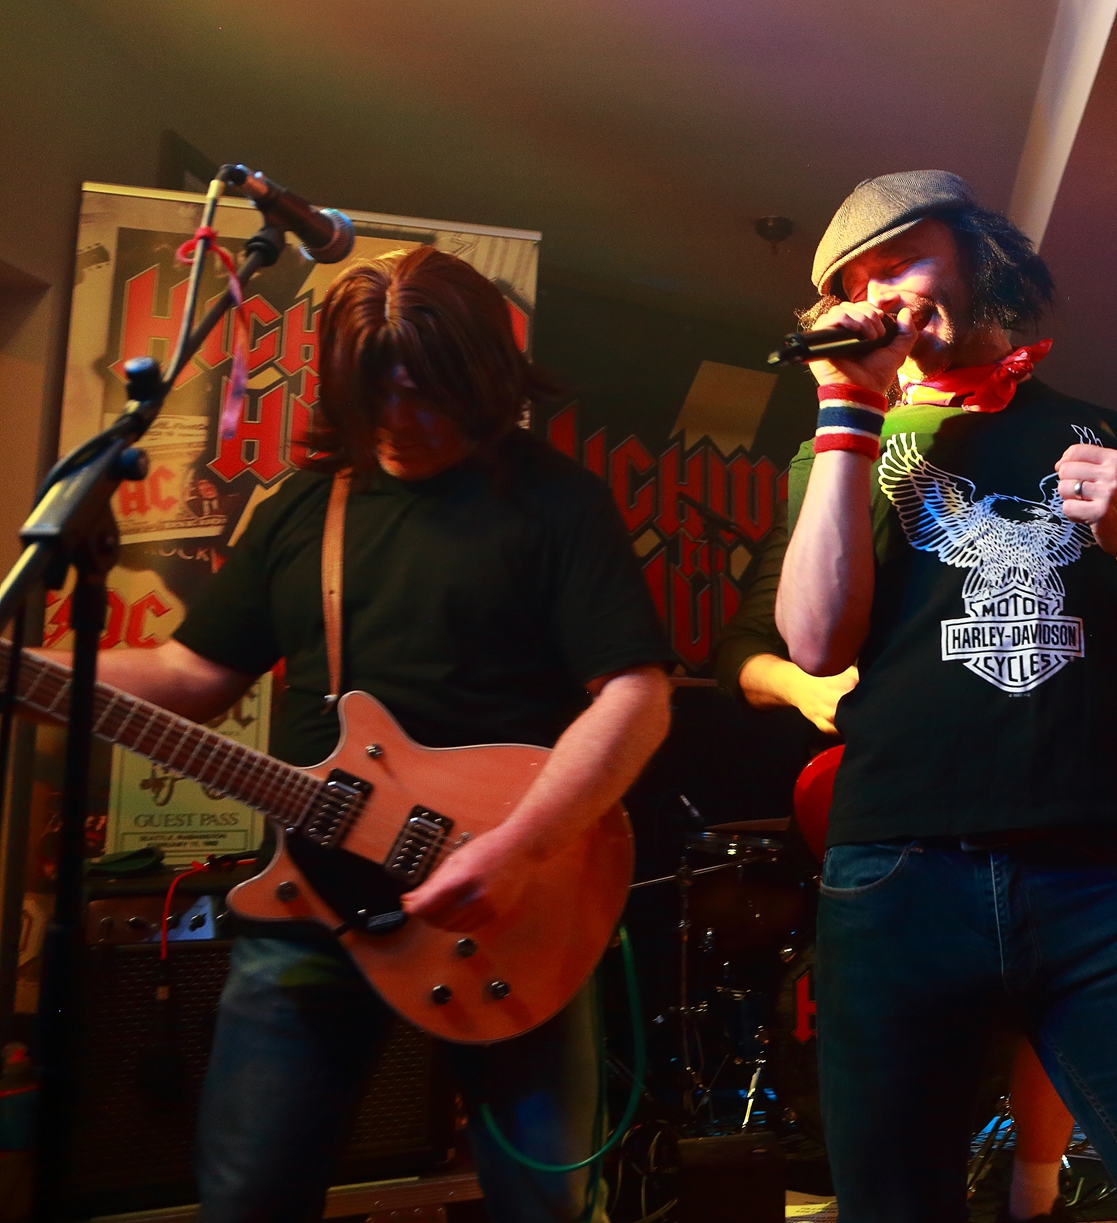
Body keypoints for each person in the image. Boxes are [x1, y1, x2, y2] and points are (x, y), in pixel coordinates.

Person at [67, 245, 672, 1223]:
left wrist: (519, 849)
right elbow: (191, 676)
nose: (398, 416)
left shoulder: (556, 501)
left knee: (547, 1205)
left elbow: (636, 697)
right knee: (249, 1199)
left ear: (482, 378)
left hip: (513, 903)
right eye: (374, 391)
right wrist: (31, 671)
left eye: (424, 391)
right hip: (311, 905)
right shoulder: (306, 506)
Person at [774, 171, 1117, 1222]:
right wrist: (846, 413)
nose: (882, 294)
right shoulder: (842, 450)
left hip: (1099, 874)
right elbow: (813, 642)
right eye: (856, 285)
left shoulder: (1112, 438)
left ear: (974, 253)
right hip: (900, 874)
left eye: (901, 260)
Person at [715, 525, 1078, 1222]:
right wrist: (804, 686)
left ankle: (1033, 1197)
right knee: (909, 1033)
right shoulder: (840, 504)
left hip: (1018, 792)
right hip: (884, 810)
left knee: (1053, 997)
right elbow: (740, 651)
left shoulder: (1033, 512)